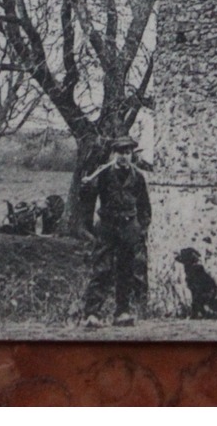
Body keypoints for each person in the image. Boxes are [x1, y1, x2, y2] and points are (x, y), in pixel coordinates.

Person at [80, 134, 151, 328]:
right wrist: (85, 187)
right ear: (114, 154)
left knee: (126, 270)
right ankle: (92, 314)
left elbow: (145, 207)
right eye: (120, 152)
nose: (123, 156)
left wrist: (140, 229)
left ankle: (122, 312)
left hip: (128, 228)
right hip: (107, 227)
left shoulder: (138, 177)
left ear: (131, 154)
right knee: (101, 268)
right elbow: (87, 198)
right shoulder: (102, 174)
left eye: (127, 152)